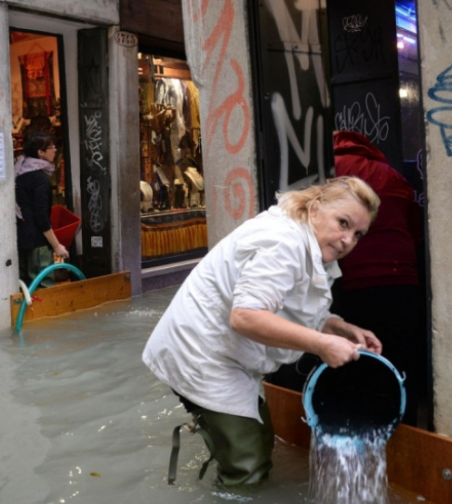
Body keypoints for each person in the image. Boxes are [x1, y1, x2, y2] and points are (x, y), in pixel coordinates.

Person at [143, 176, 382, 486]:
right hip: (202, 354)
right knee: (248, 467)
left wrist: (338, 326)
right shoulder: (283, 242)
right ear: (316, 208)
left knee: (258, 441)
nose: (348, 240)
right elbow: (245, 316)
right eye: (343, 223)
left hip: (229, 354)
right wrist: (322, 345)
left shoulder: (308, 241)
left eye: (358, 233)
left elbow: (288, 307)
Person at [328, 130, 426, 426]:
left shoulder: (330, 172)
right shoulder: (392, 174)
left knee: (355, 355)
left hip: (354, 281)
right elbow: (416, 229)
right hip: (402, 279)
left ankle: (358, 424)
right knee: (399, 357)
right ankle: (404, 425)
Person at [15, 130, 70, 288]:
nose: (55, 150)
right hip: (37, 243)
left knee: (25, 286)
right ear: (40, 152)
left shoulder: (19, 173)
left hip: (21, 240)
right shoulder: (39, 179)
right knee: (43, 286)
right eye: (51, 147)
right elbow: (41, 217)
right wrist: (56, 246)